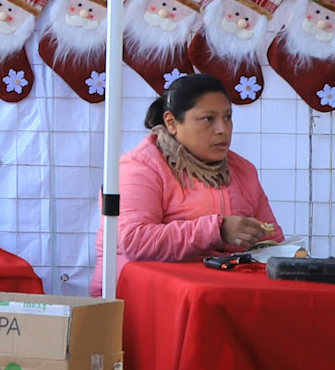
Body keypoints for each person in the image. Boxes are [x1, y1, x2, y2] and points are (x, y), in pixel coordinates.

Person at [118, 73, 281, 262]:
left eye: (227, 117)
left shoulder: (244, 171)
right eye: (208, 119)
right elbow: (135, 242)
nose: (223, 129)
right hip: (143, 288)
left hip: (221, 286)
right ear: (171, 122)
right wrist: (217, 230)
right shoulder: (140, 167)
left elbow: (272, 240)